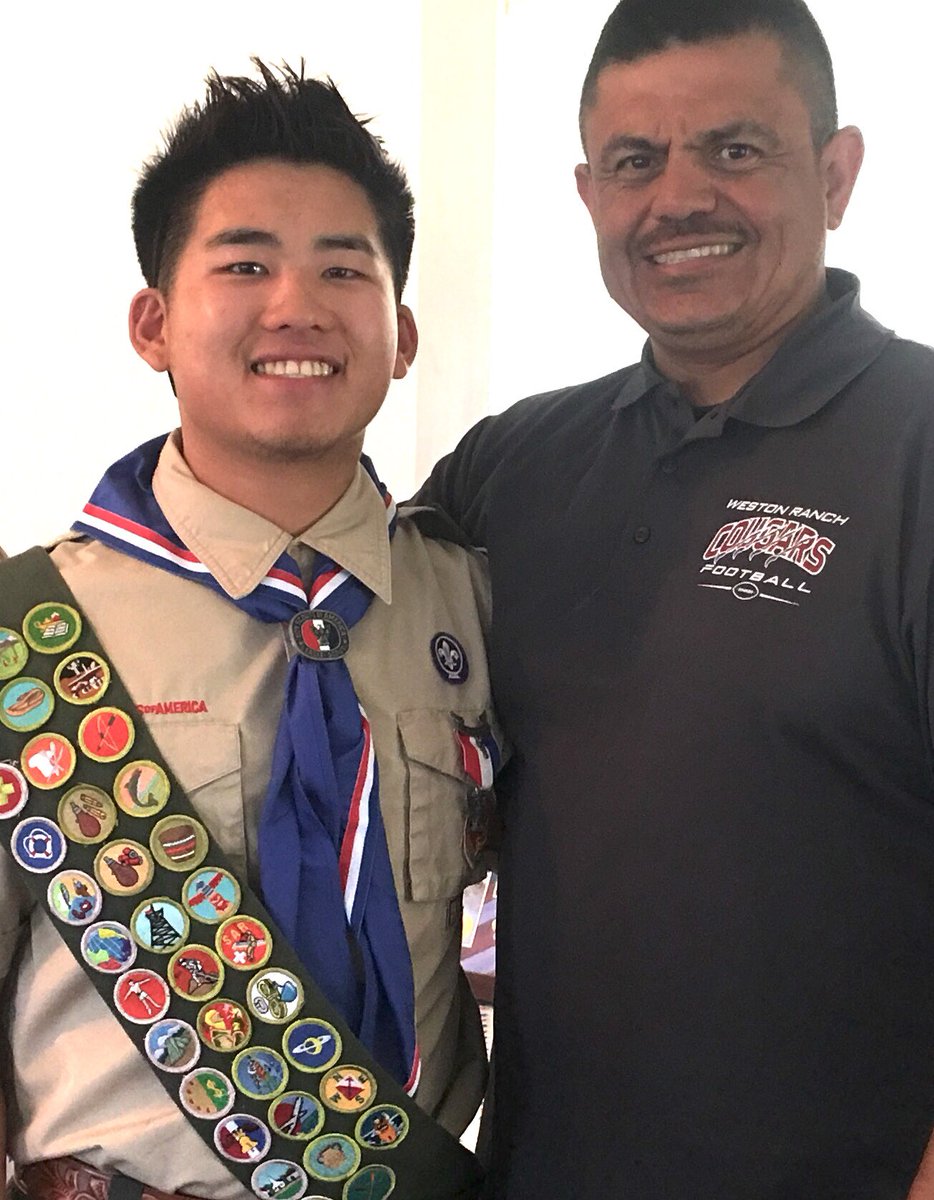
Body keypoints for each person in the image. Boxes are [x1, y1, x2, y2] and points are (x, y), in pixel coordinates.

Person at [417, 1, 934, 1196]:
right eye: (634, 163)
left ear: (838, 172)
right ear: (589, 191)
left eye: (735, 150)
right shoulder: (515, 465)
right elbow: (310, 619)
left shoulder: (917, 449)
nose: (678, 198)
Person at [0, 63, 499, 1200]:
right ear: (154, 322)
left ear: (402, 331)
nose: (296, 306)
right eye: (244, 265)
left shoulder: (474, 603)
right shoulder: (27, 630)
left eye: (342, 268)